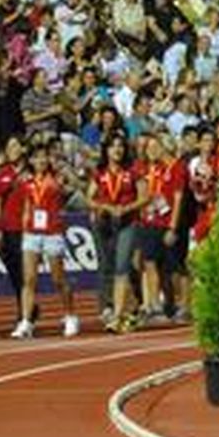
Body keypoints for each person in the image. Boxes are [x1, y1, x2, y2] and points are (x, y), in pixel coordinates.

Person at [16, 145, 80, 338]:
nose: (41, 161)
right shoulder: (26, 182)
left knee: (58, 279)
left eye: (44, 157)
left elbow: (74, 187)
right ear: (31, 161)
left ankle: (70, 315)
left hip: (52, 231)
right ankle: (26, 321)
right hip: (31, 233)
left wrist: (67, 175)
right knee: (28, 279)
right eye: (36, 158)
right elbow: (27, 205)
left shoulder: (57, 179)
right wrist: (24, 226)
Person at [90, 136, 145, 333]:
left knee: (122, 265)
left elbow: (144, 197)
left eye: (120, 145)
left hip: (128, 222)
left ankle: (116, 316)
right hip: (105, 223)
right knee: (110, 265)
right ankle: (132, 307)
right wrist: (103, 206)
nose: (117, 149)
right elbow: (90, 198)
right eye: (113, 146)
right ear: (106, 150)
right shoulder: (100, 173)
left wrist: (126, 208)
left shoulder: (133, 172)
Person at [137, 135, 190, 322]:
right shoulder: (155, 168)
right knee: (151, 263)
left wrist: (173, 227)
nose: (150, 151)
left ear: (164, 147)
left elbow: (177, 199)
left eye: (154, 147)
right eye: (148, 147)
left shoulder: (177, 167)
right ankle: (156, 305)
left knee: (176, 267)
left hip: (169, 224)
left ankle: (184, 304)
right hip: (151, 222)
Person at [0, 136, 30, 338]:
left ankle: (24, 315)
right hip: (8, 229)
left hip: (28, 230)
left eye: (16, 145)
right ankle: (25, 308)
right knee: (15, 275)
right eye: (10, 146)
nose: (14, 149)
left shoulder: (31, 172)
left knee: (25, 274)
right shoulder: (2, 174)